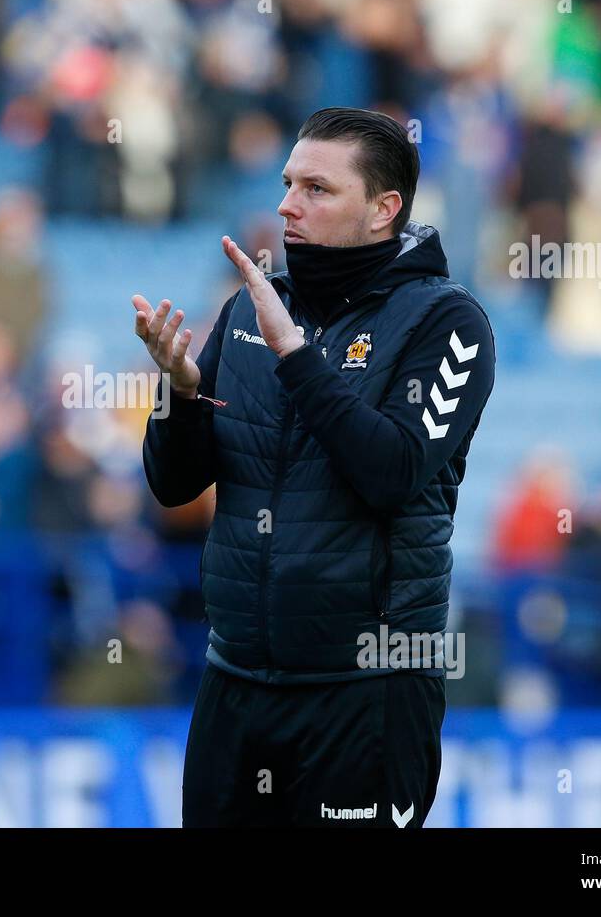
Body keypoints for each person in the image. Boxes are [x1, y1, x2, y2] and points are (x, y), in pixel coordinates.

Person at [135, 108, 496, 827]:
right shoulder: (249, 312)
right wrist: (179, 396)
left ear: (382, 210)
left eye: (317, 189)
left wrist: (297, 358)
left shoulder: (448, 323)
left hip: (368, 688)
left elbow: (392, 471)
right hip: (236, 681)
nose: (286, 204)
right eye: (287, 183)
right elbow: (174, 487)